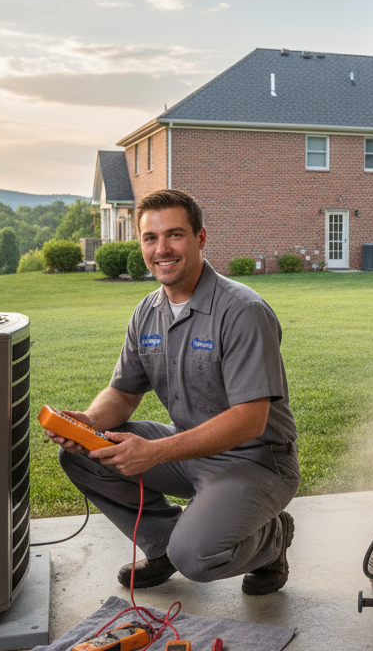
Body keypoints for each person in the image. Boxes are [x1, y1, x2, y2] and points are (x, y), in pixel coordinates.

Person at [44, 189, 300, 596]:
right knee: (86, 455)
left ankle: (272, 540)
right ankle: (161, 545)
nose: (161, 249)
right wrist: (89, 424)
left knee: (197, 557)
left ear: (200, 239)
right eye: (150, 238)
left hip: (256, 461)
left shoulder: (243, 311)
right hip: (189, 452)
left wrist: (155, 452)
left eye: (175, 235)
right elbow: (123, 393)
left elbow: (250, 419)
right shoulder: (147, 311)